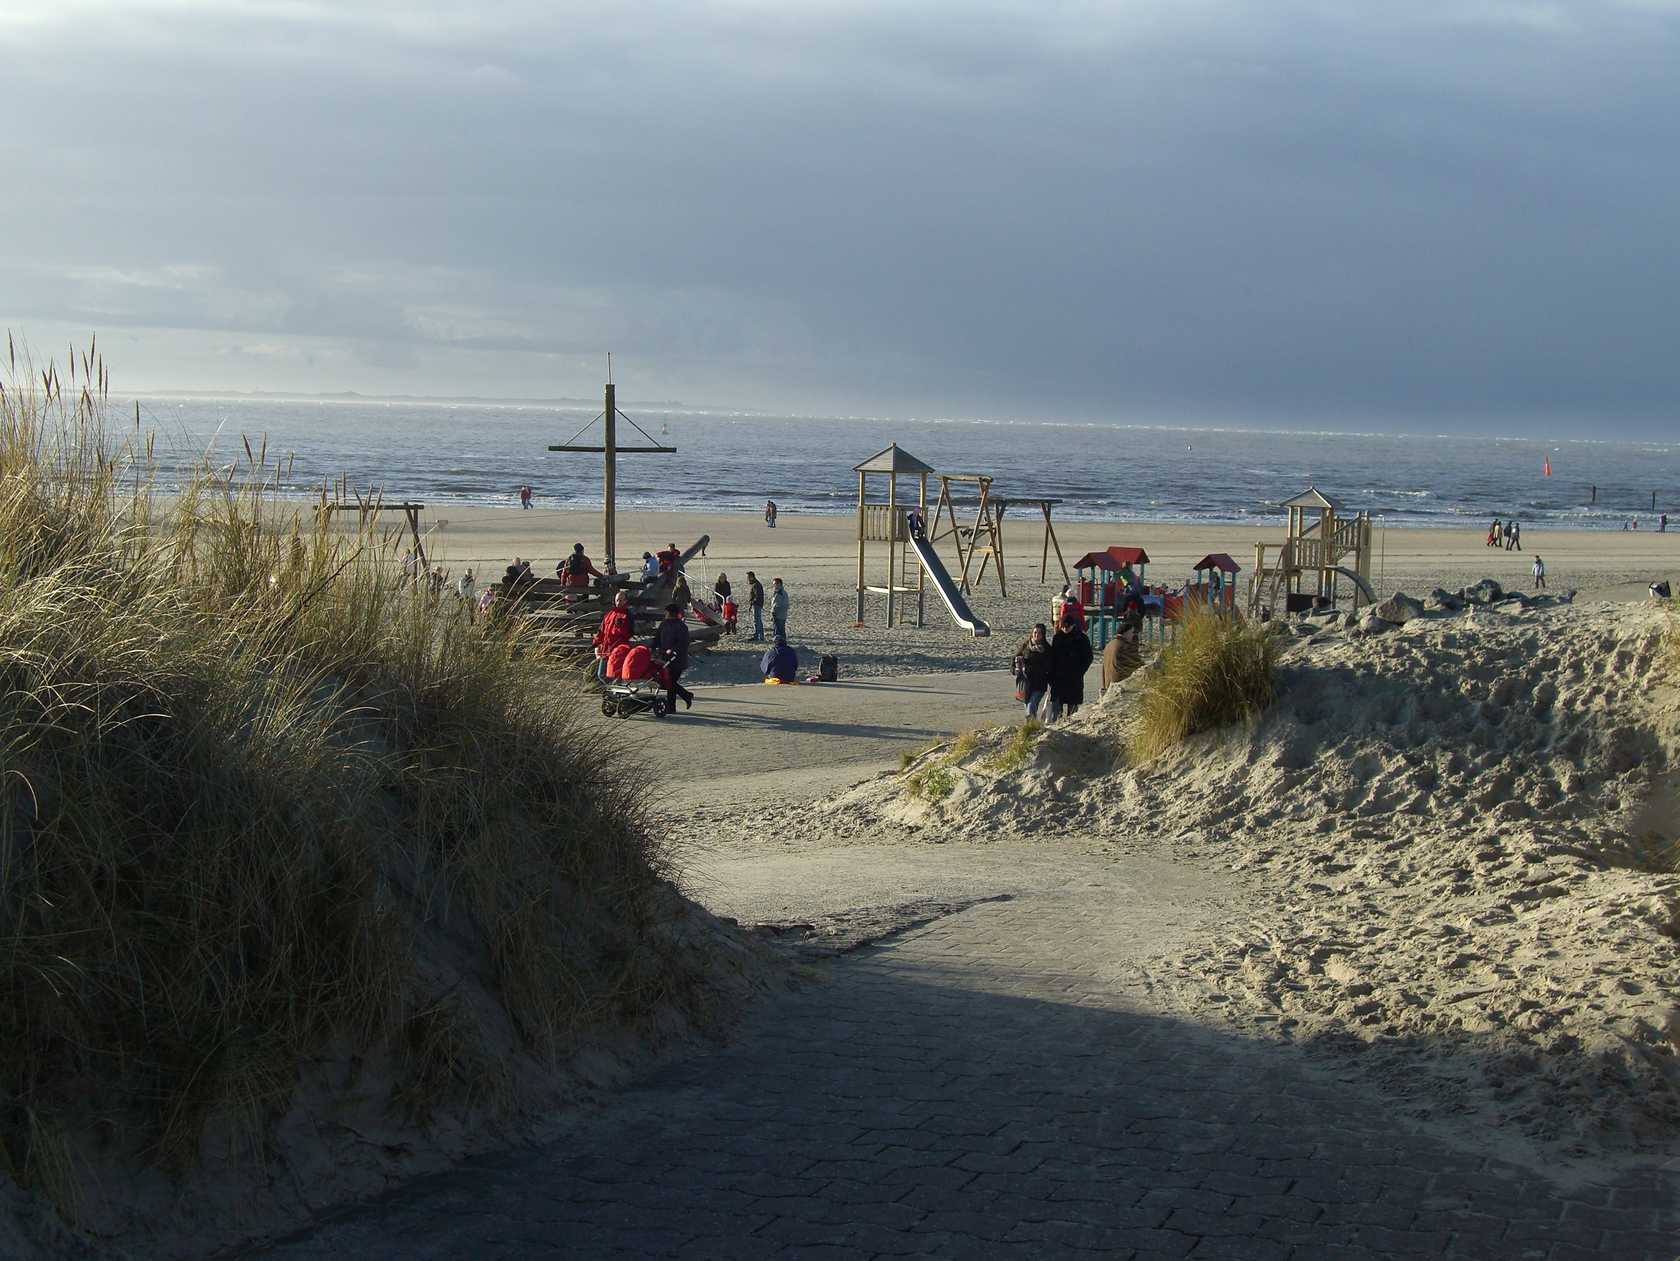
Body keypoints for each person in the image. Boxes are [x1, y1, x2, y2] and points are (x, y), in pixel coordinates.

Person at [1047, 615, 1093, 722]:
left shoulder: (1082, 638)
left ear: (1073, 625)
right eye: (1063, 627)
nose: (1065, 629)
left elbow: (1088, 657)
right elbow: (1052, 658)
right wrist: (1050, 676)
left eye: (1067, 627)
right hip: (1058, 680)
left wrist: (1080, 671)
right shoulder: (1057, 638)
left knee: (1072, 714)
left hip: (1074, 680)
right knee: (1056, 712)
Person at [654, 603, 694, 711]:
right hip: (664, 658)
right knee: (668, 682)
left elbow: (683, 643)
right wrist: (652, 648)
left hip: (677, 660)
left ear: (670, 613)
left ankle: (682, 698)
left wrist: (673, 650)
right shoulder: (664, 624)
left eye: (666, 612)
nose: (665, 614)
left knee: (670, 682)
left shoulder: (681, 626)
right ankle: (675, 704)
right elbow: (657, 638)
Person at [593, 590, 636, 681]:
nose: (619, 602)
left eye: (621, 600)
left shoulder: (627, 615)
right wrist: (596, 644)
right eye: (617, 600)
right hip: (605, 650)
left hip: (618, 651)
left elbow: (629, 633)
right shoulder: (609, 614)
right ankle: (610, 692)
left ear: (625, 601)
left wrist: (621, 626)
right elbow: (601, 631)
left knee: (614, 675)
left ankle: (616, 693)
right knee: (602, 675)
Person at [1013, 623, 1053, 719]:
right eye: (1035, 632)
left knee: (1031, 706)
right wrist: (1015, 670)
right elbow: (1014, 659)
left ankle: (1032, 727)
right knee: (1029, 709)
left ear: (1043, 635)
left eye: (1039, 633)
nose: (1036, 635)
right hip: (1026, 684)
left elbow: (1051, 666)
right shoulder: (1026, 646)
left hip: (1039, 684)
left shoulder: (1047, 649)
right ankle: (1032, 728)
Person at [1102, 624, 1144, 695]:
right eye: (1132, 632)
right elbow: (1137, 665)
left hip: (1108, 683)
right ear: (1126, 633)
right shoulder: (1124, 646)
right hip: (1119, 687)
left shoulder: (1109, 644)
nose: (1133, 635)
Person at [746, 571, 766, 640]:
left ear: (752, 577)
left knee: (757, 621)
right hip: (756, 604)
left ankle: (759, 636)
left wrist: (753, 602)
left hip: (757, 604)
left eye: (748, 577)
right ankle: (758, 635)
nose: (747, 578)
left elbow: (758, 596)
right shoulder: (754, 584)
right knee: (757, 620)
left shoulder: (756, 585)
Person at [770, 577, 789, 641]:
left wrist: (774, 613)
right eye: (774, 584)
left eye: (775, 584)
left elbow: (782, 605)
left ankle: (780, 643)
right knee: (778, 629)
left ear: (780, 584)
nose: (774, 586)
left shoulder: (781, 593)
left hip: (780, 615)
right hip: (777, 615)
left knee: (779, 631)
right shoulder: (777, 592)